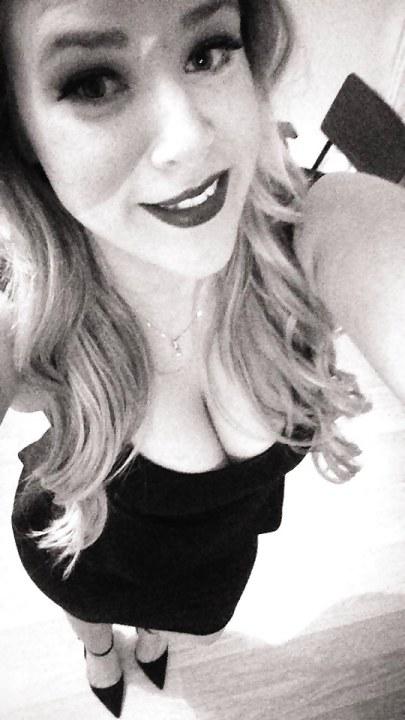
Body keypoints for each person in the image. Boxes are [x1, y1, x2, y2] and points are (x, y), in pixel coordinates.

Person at [0, 0, 403, 717]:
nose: (188, 136)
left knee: (171, 618)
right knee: (89, 611)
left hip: (210, 569)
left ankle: (154, 632)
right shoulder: (30, 313)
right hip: (78, 548)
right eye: (93, 82)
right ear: (18, 127)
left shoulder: (315, 234)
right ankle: (97, 647)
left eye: (208, 51)